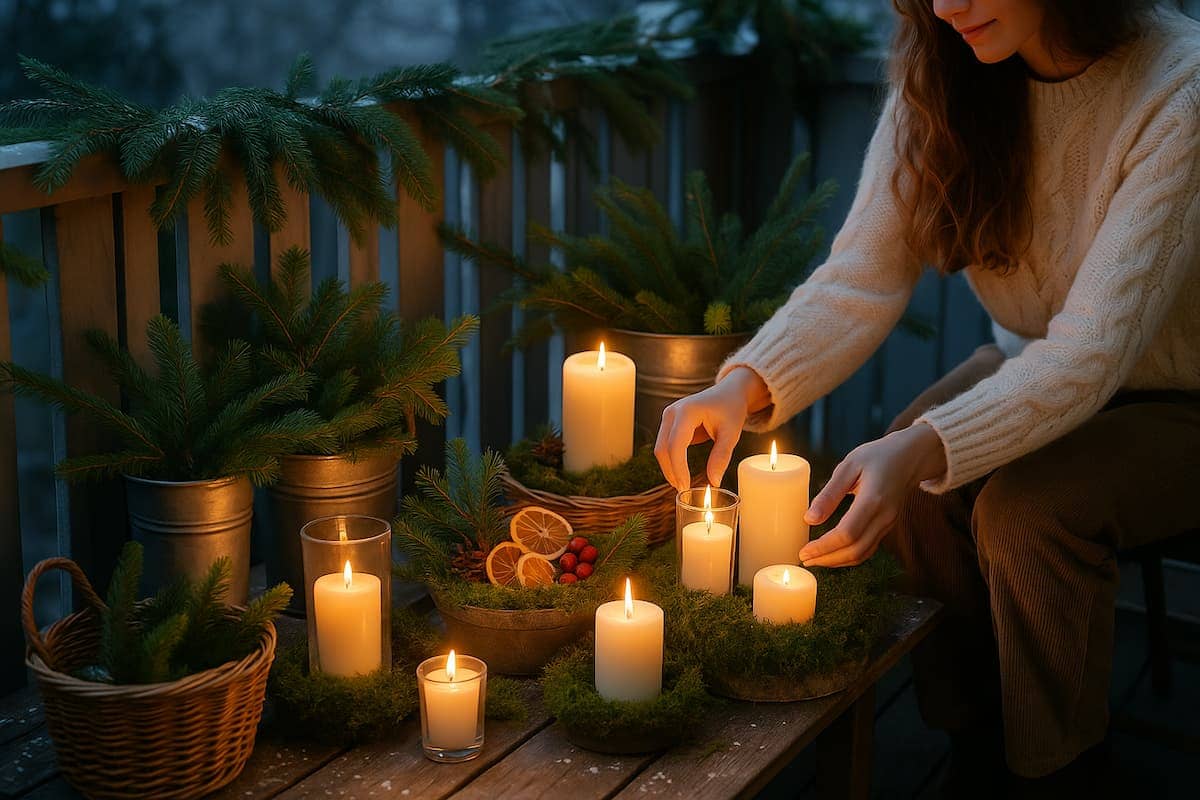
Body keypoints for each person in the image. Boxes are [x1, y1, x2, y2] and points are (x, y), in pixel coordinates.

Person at [654, 0, 1200, 795]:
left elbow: (1092, 351)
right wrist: (744, 383)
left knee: (1025, 512)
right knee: (910, 486)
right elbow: (861, 275)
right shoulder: (942, 67)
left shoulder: (1180, 86)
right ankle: (972, 746)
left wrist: (922, 449)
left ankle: (1057, 771)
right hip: (1032, 362)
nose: (947, 7)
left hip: (1182, 394)